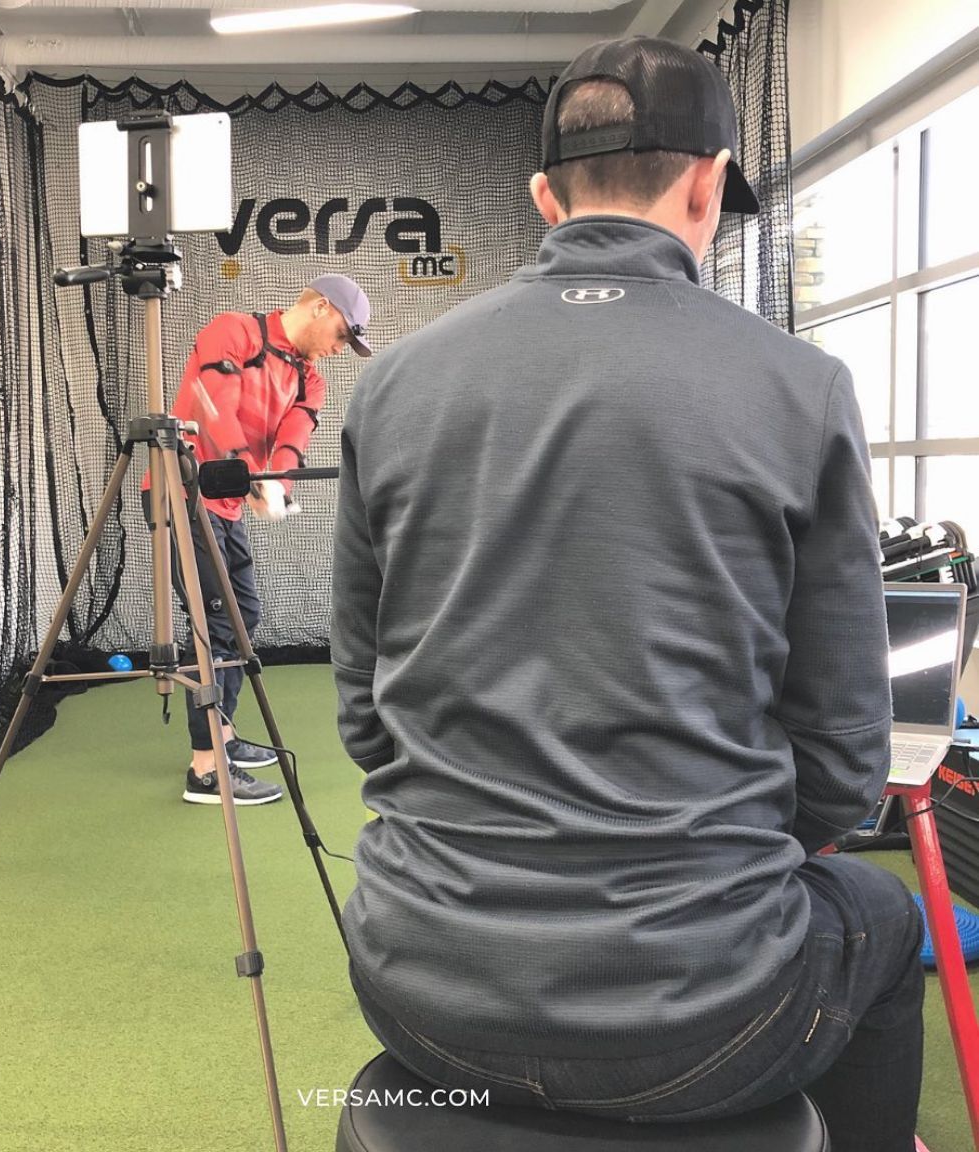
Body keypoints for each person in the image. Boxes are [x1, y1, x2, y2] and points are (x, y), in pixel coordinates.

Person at [331, 36, 923, 1152]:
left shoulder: (393, 383)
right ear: (707, 184)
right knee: (884, 919)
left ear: (546, 197)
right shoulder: (803, 386)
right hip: (704, 1021)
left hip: (422, 996)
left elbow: (365, 716)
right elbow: (846, 763)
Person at [145, 273, 371, 806]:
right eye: (342, 334)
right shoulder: (234, 332)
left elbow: (294, 437)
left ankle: (223, 736)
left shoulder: (309, 378)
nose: (340, 350)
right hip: (185, 491)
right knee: (213, 624)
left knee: (243, 617)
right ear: (319, 307)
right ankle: (206, 771)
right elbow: (212, 408)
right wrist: (249, 474)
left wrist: (279, 485)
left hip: (227, 503)